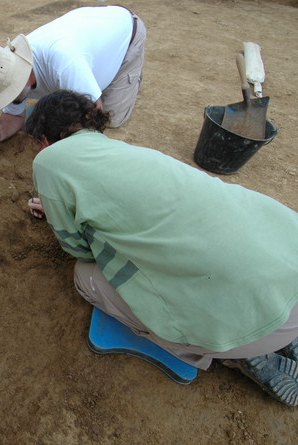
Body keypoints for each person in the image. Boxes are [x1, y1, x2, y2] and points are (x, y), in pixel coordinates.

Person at [25, 89, 298, 406]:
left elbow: (80, 250)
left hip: (247, 326)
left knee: (86, 277)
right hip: (287, 268)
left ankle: (236, 352)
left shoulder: (48, 161)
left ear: (44, 137)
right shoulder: (128, 153)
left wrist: (59, 212)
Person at [0, 5, 146, 159]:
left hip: (125, 31)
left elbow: (96, 116)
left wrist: (63, 153)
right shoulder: (11, 67)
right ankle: (94, 74)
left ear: (20, 79)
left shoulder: (64, 63)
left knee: (112, 118)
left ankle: (115, 74)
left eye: (8, 95)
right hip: (83, 35)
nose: (8, 99)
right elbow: (14, 114)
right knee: (39, 120)